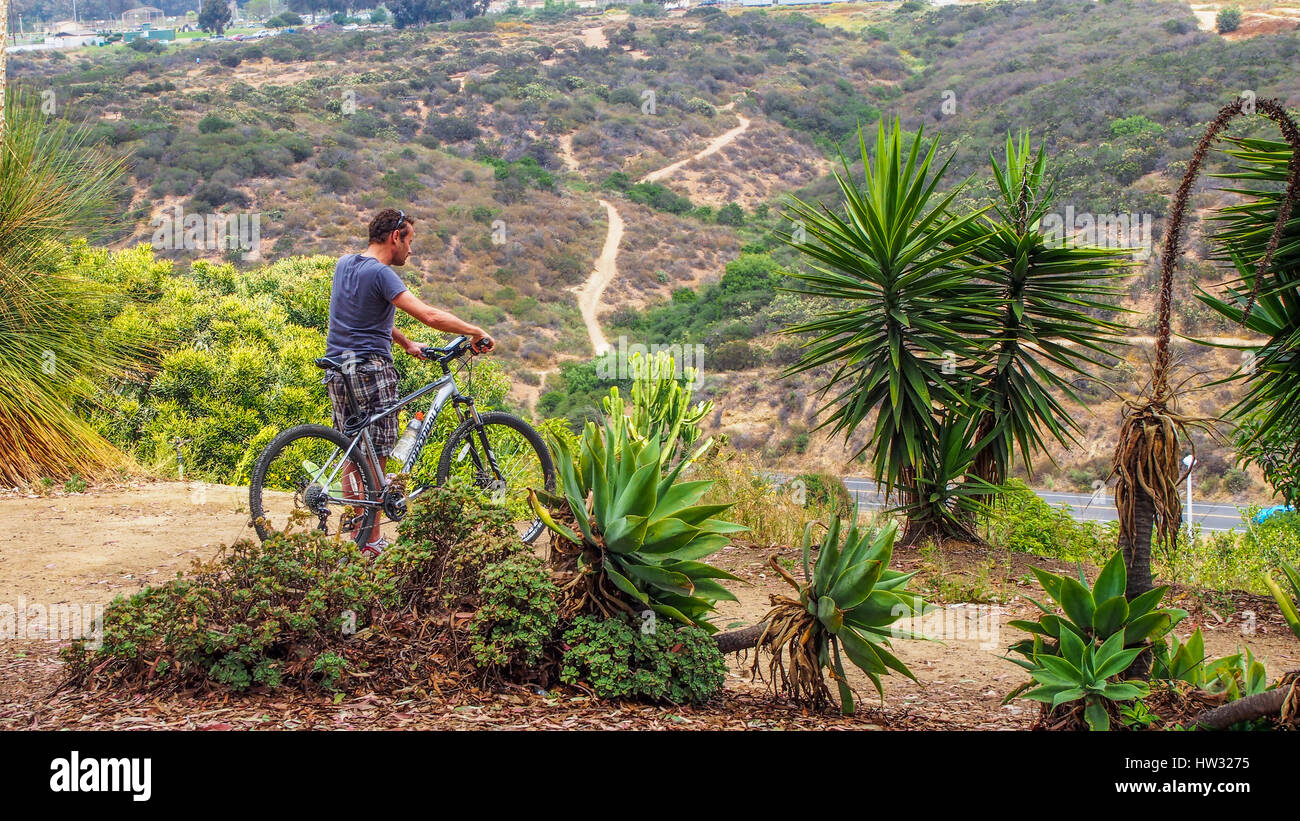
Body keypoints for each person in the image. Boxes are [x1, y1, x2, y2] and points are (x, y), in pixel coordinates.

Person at [324, 208, 494, 556]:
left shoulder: (346, 264)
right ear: (395, 237)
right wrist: (475, 331)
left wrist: (405, 343)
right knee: (379, 454)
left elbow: (364, 316)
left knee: (355, 451)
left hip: (338, 367)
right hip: (371, 369)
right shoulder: (382, 274)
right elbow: (429, 315)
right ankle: (371, 542)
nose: (411, 251)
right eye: (410, 242)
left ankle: (360, 536)